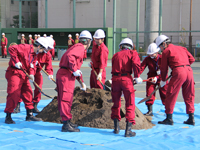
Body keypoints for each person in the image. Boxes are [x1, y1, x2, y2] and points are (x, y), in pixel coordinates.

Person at [4, 37, 50, 124]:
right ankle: (8, 116)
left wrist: (32, 74)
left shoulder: (35, 55)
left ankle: (29, 115)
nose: (42, 52)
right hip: (15, 73)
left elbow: (32, 65)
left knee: (28, 93)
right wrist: (16, 61)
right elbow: (11, 48)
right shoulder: (25, 47)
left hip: (24, 74)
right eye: (42, 49)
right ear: (39, 46)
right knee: (14, 94)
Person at [56, 30, 92, 132]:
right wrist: (75, 69)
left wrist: (82, 82)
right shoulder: (80, 48)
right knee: (66, 99)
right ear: (89, 42)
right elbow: (70, 58)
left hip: (65, 73)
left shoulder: (76, 47)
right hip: (66, 75)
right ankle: (66, 124)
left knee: (66, 98)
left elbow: (75, 66)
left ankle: (67, 121)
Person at [156, 35, 195, 125]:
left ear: (164, 44)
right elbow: (192, 59)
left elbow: (164, 68)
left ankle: (169, 118)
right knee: (189, 94)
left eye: (160, 47)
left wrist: (163, 80)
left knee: (171, 93)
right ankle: (191, 118)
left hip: (178, 72)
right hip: (189, 71)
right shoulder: (182, 48)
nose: (160, 49)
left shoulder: (166, 51)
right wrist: (183, 65)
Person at [13, 37, 54, 114]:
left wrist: (50, 74)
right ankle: (17, 105)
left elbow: (49, 65)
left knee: (39, 87)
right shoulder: (34, 50)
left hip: (37, 72)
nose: (48, 50)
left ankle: (35, 105)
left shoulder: (47, 54)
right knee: (21, 87)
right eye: (48, 48)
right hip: (26, 71)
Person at [111, 38, 143, 137]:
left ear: (121, 46)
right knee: (130, 103)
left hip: (115, 79)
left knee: (116, 103)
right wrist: (137, 76)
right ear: (130, 46)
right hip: (126, 79)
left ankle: (116, 128)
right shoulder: (132, 53)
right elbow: (136, 64)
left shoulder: (115, 55)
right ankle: (128, 130)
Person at [140, 43, 168, 116]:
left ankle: (168, 111)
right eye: (150, 54)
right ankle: (150, 111)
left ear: (157, 52)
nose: (151, 55)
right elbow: (141, 67)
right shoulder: (147, 59)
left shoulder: (162, 58)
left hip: (162, 77)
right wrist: (137, 76)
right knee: (149, 93)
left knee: (165, 94)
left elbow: (165, 70)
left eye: (152, 54)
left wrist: (158, 77)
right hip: (151, 77)